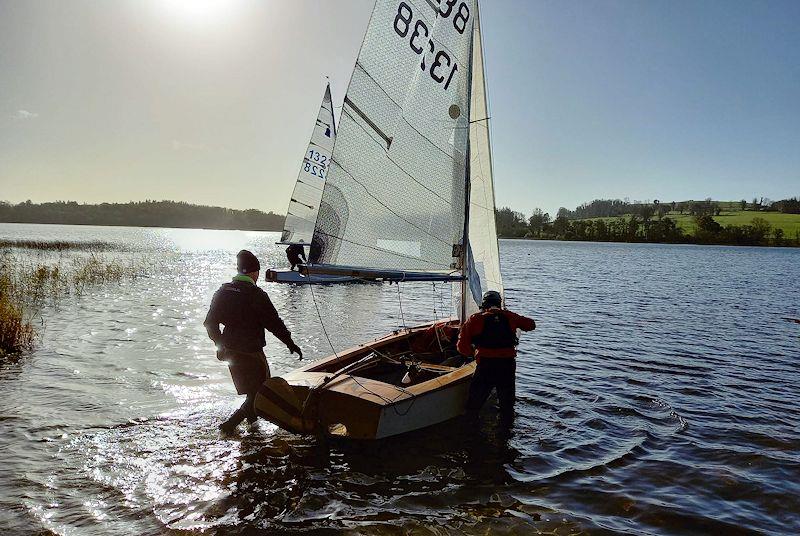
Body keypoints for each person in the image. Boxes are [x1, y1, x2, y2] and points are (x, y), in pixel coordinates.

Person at [204, 249, 303, 433]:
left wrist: (220, 345)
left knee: (251, 393)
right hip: (252, 353)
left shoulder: (222, 291)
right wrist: (290, 343)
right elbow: (275, 323)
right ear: (254, 272)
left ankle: (253, 430)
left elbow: (210, 323)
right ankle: (229, 425)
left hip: (231, 352)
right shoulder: (257, 295)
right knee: (260, 393)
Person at [457, 290, 536, 425]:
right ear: (499, 304)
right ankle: (505, 436)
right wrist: (508, 315)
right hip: (507, 366)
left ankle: (471, 437)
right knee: (507, 406)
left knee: (473, 406)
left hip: (485, 366)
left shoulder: (475, 319)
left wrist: (472, 353)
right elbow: (531, 325)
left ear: (484, 305)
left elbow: (461, 347)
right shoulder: (510, 316)